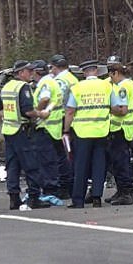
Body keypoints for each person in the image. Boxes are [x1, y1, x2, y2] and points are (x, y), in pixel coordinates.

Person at [63, 60, 127, 208]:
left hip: (82, 132)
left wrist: (66, 130)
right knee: (99, 165)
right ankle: (97, 197)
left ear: (84, 72)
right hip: (101, 131)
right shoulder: (106, 86)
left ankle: (78, 200)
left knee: (81, 167)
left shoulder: (77, 88)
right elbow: (116, 108)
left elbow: (70, 111)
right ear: (97, 71)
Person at [0, 60, 50, 210]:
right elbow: (28, 111)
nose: (31, 73)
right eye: (28, 71)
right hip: (22, 130)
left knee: (12, 166)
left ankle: (14, 198)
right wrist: (41, 114)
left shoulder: (7, 86)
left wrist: (5, 116)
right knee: (31, 164)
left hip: (9, 130)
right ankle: (34, 197)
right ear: (20, 73)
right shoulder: (23, 88)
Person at [29, 60, 65, 199]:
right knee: (54, 159)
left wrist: (36, 113)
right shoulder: (52, 81)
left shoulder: (45, 83)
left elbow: (45, 99)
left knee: (46, 161)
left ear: (36, 72)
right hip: (54, 126)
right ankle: (54, 187)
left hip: (46, 126)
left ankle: (50, 189)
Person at [106, 61, 133, 205]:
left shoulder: (122, 87)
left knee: (121, 163)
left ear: (115, 73)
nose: (110, 78)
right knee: (119, 162)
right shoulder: (131, 84)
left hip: (121, 128)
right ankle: (122, 191)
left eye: (110, 75)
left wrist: (107, 107)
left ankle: (126, 192)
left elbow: (122, 110)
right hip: (127, 128)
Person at [49, 54, 79, 198]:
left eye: (52, 68)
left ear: (56, 67)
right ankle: (71, 185)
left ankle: (65, 187)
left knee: (62, 155)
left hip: (62, 119)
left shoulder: (60, 80)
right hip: (75, 120)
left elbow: (58, 100)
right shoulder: (73, 78)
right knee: (70, 154)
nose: (51, 71)